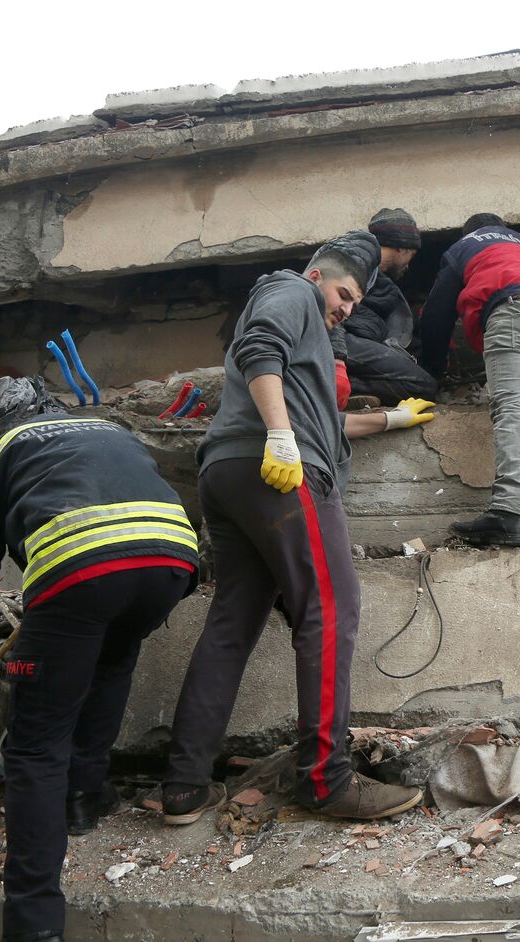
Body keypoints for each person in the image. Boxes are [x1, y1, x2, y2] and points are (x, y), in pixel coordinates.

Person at [162, 230, 433, 826]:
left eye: (356, 303)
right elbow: (260, 347)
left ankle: (183, 786)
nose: (346, 308)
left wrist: (388, 417)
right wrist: (282, 439)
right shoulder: (289, 290)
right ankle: (327, 780)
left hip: (230, 474)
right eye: (343, 294)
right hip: (279, 473)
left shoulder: (310, 338)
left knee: (233, 622)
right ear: (318, 278)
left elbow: (324, 417)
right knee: (331, 609)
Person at [0, 411, 200, 942]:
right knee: (112, 662)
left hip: (79, 567)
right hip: (170, 559)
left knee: (36, 745)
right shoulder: (106, 427)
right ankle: (83, 796)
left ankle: (34, 925)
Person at [419, 213, 520, 547]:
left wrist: (431, 373)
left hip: (518, 314)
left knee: (509, 407)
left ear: (470, 232)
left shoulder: (464, 246)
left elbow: (436, 315)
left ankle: (508, 513)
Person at [332, 208, 438, 408]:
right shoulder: (355, 261)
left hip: (352, 342)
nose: (408, 265)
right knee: (423, 386)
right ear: (402, 248)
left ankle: (351, 388)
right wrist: (337, 360)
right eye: (412, 254)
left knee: (420, 380)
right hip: (339, 340)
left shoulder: (377, 279)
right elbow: (327, 310)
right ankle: (333, 386)